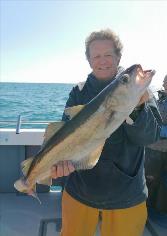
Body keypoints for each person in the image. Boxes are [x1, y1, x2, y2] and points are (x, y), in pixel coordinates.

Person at [51, 29, 162, 236]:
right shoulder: (79, 92)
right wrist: (58, 168)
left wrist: (138, 109)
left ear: (118, 56)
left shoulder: (141, 92)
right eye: (96, 56)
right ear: (89, 60)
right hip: (80, 192)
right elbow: (62, 137)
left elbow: (149, 137)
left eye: (108, 55)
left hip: (127, 195)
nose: (102, 61)